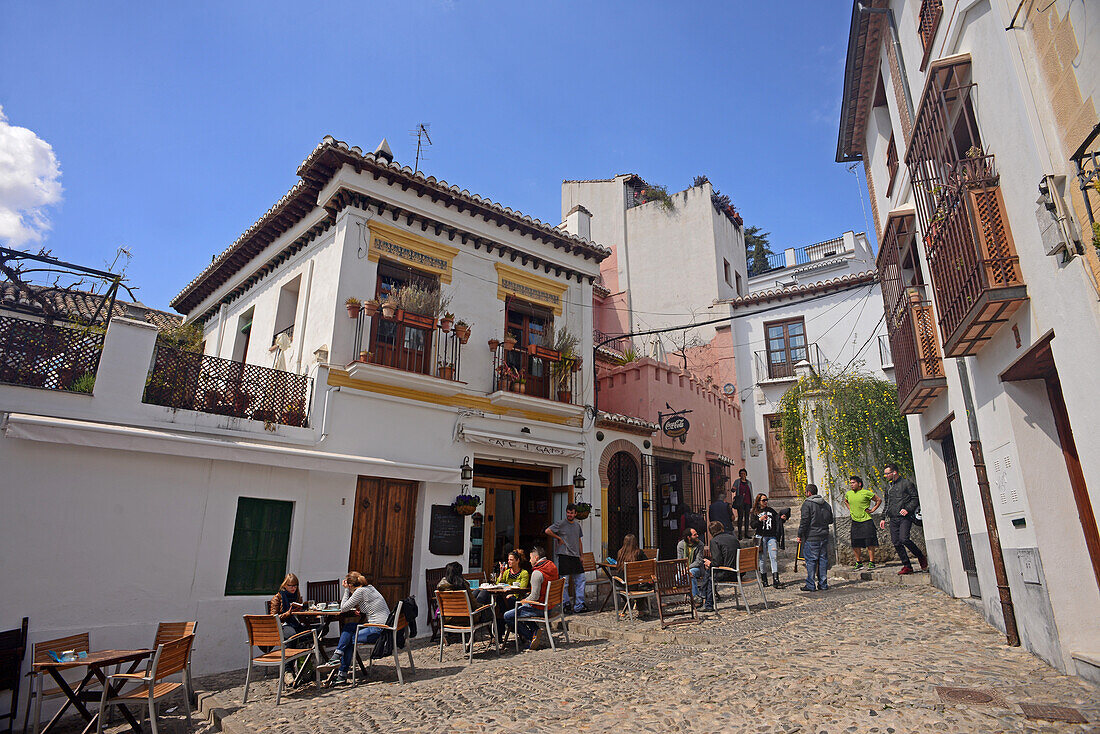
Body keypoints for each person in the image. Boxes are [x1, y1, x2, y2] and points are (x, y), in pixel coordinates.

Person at [322, 572, 390, 684]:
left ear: (350, 585)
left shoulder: (360, 591)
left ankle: (340, 672)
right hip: (383, 627)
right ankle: (337, 658)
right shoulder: (370, 588)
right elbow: (369, 606)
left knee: (348, 641)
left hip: (378, 630)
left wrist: (346, 590)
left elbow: (343, 608)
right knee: (349, 627)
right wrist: (361, 609)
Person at [503, 545, 559, 650]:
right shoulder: (552, 567)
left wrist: (523, 600)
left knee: (508, 616)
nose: (529, 561)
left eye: (530, 558)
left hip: (540, 608)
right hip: (551, 606)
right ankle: (535, 631)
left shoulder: (537, 573)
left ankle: (532, 636)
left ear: (536, 558)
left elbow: (534, 596)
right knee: (521, 608)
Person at [880, 463, 927, 575]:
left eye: (887, 473)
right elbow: (887, 503)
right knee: (896, 542)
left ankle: (920, 556)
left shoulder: (906, 484)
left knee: (904, 539)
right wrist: (883, 518)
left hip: (905, 517)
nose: (885, 476)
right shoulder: (888, 487)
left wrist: (907, 509)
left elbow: (915, 498)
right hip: (893, 518)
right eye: (885, 474)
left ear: (894, 472)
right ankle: (907, 566)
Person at [545, 504, 586, 613]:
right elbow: (548, 531)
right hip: (564, 556)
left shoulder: (577, 526)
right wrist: (558, 538)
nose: (569, 515)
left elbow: (579, 541)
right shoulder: (561, 524)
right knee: (565, 582)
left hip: (575, 556)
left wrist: (581, 555)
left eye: (572, 513)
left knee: (581, 579)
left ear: (575, 514)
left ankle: (579, 605)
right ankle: (566, 604)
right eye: (568, 512)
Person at [798, 484, 833, 592]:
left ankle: (810, 584)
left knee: (811, 561)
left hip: (812, 536)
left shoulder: (807, 504)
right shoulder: (826, 504)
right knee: (823, 560)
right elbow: (830, 520)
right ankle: (823, 583)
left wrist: (800, 534)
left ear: (809, 493)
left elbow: (804, 521)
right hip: (823, 535)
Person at [474, 550, 531, 614]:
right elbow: (497, 584)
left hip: (516, 597)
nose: (509, 561)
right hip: (504, 596)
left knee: (509, 599)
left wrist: (512, 594)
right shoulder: (507, 572)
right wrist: (501, 573)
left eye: (511, 560)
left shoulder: (524, 573)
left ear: (517, 561)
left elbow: (522, 588)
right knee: (493, 597)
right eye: (508, 559)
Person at [844, 475, 882, 569]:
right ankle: (858, 562)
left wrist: (873, 510)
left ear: (859, 484)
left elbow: (878, 500)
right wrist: (851, 510)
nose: (851, 485)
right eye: (851, 483)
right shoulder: (849, 494)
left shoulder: (866, 493)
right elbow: (845, 501)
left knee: (870, 542)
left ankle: (872, 562)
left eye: (853, 483)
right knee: (855, 543)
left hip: (866, 520)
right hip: (855, 521)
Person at [676, 527, 713, 612]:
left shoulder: (700, 544)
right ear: (689, 537)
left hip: (697, 568)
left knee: (691, 573)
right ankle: (695, 597)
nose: (697, 536)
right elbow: (679, 560)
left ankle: (695, 598)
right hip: (683, 569)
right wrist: (682, 570)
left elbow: (699, 561)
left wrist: (687, 569)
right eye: (695, 534)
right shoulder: (681, 545)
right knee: (677, 577)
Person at [751, 493, 782, 588]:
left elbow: (777, 520)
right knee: (762, 559)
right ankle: (764, 579)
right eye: (763, 500)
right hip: (761, 537)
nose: (766, 502)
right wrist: (759, 519)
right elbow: (752, 525)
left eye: (766, 500)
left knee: (774, 557)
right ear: (759, 501)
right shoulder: (755, 512)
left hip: (771, 536)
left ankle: (776, 579)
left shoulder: (771, 511)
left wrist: (782, 518)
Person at [732, 469, 754, 540]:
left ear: (746, 474)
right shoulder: (737, 482)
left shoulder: (749, 483)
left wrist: (752, 503)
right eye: (741, 473)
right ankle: (740, 534)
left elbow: (751, 493)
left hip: (747, 502)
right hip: (740, 503)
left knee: (747, 518)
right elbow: (733, 489)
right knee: (740, 518)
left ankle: (746, 533)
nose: (743, 475)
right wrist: (733, 489)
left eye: (744, 473)